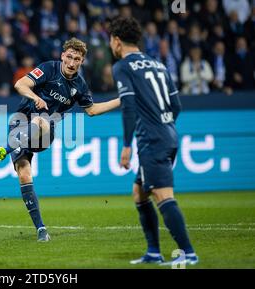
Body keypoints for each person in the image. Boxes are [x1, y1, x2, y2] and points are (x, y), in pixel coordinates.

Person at [0, 37, 120, 242]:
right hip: (20, 123)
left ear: (82, 61)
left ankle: (4, 149)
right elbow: (20, 84)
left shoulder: (80, 85)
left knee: (42, 120)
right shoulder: (49, 69)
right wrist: (35, 97)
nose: (72, 62)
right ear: (62, 56)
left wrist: (121, 100)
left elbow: (92, 110)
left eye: (77, 59)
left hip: (45, 131)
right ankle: (41, 230)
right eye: (69, 57)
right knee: (24, 173)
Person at [108, 16, 199, 265]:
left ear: (116, 41)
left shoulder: (122, 67)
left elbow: (128, 107)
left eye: (110, 41)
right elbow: (176, 105)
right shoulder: (158, 64)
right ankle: (153, 253)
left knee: (163, 195)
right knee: (139, 193)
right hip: (168, 133)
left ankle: (189, 253)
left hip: (152, 139)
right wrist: (165, 124)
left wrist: (127, 145)